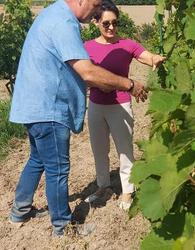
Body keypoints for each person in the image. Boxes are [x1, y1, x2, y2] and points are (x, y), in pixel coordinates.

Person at [8, 0, 147, 236]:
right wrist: (129, 84)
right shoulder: (64, 22)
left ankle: (19, 211)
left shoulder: (51, 14)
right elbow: (87, 71)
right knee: (58, 169)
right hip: (49, 107)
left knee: (38, 160)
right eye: (94, 6)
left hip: (32, 105)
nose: (95, 11)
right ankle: (63, 227)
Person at [83, 0, 165, 210]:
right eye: (106, 23)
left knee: (125, 150)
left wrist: (155, 59)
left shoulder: (127, 44)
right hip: (95, 106)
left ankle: (128, 191)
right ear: (96, 22)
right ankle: (103, 186)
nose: (111, 27)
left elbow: (146, 56)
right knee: (99, 149)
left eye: (115, 23)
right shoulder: (87, 47)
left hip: (120, 106)